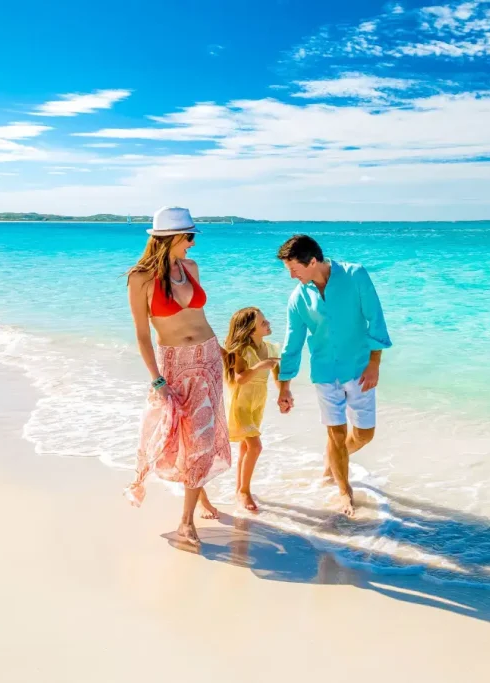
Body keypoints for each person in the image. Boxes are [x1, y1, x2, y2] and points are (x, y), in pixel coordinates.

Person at [124, 206, 231, 549]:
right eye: (189, 237)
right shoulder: (139, 279)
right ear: (170, 238)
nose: (192, 244)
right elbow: (142, 335)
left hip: (209, 359)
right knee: (180, 439)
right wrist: (157, 380)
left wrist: (224, 354)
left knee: (202, 437)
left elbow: (201, 316)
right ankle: (197, 502)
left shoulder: (191, 268)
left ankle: (186, 521)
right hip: (174, 364)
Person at [275, 235, 392, 516]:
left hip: (359, 368)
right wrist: (284, 386)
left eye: (294, 269)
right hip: (325, 372)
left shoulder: (355, 276)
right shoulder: (298, 298)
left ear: (312, 261)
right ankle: (344, 491)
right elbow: (292, 343)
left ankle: (333, 462)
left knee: (364, 435)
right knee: (336, 433)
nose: (291, 276)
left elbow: (375, 318)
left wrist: (375, 362)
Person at [221, 307, 280, 513]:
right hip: (241, 405)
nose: (268, 324)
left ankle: (239, 487)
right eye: (263, 323)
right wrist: (258, 367)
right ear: (250, 330)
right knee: (255, 447)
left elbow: (279, 377)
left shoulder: (272, 348)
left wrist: (283, 395)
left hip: (257, 404)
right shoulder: (242, 351)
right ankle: (244, 490)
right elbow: (239, 378)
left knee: (246, 448)